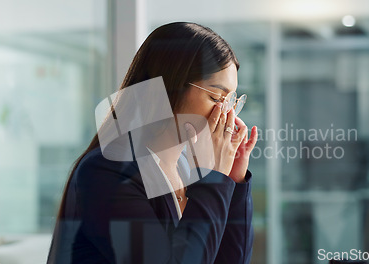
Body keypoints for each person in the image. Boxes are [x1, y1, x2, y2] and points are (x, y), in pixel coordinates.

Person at [47, 22, 258, 264]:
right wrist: (214, 177)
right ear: (171, 87)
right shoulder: (107, 171)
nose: (227, 114)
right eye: (216, 97)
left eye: (231, 101)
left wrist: (233, 179)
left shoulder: (184, 168)